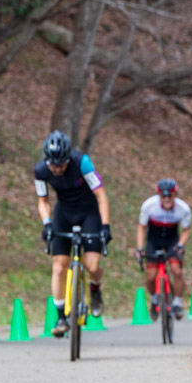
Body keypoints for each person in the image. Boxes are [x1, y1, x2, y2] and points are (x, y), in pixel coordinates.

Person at [34, 130, 112, 337]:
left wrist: (105, 226)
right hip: (64, 213)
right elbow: (43, 201)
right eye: (53, 165)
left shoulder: (82, 163)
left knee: (92, 265)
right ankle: (61, 317)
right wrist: (47, 224)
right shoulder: (41, 170)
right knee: (59, 265)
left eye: (61, 165)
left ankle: (95, 289)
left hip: (89, 212)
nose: (57, 169)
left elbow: (101, 195)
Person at [135, 178, 192, 321]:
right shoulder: (149, 206)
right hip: (154, 239)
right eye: (163, 196)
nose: (167, 199)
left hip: (172, 239)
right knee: (150, 276)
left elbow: (186, 230)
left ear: (175, 195)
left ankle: (177, 303)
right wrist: (140, 247)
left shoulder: (183, 209)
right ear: (158, 195)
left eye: (170, 196)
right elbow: (142, 227)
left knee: (177, 270)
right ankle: (154, 300)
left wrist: (180, 245)